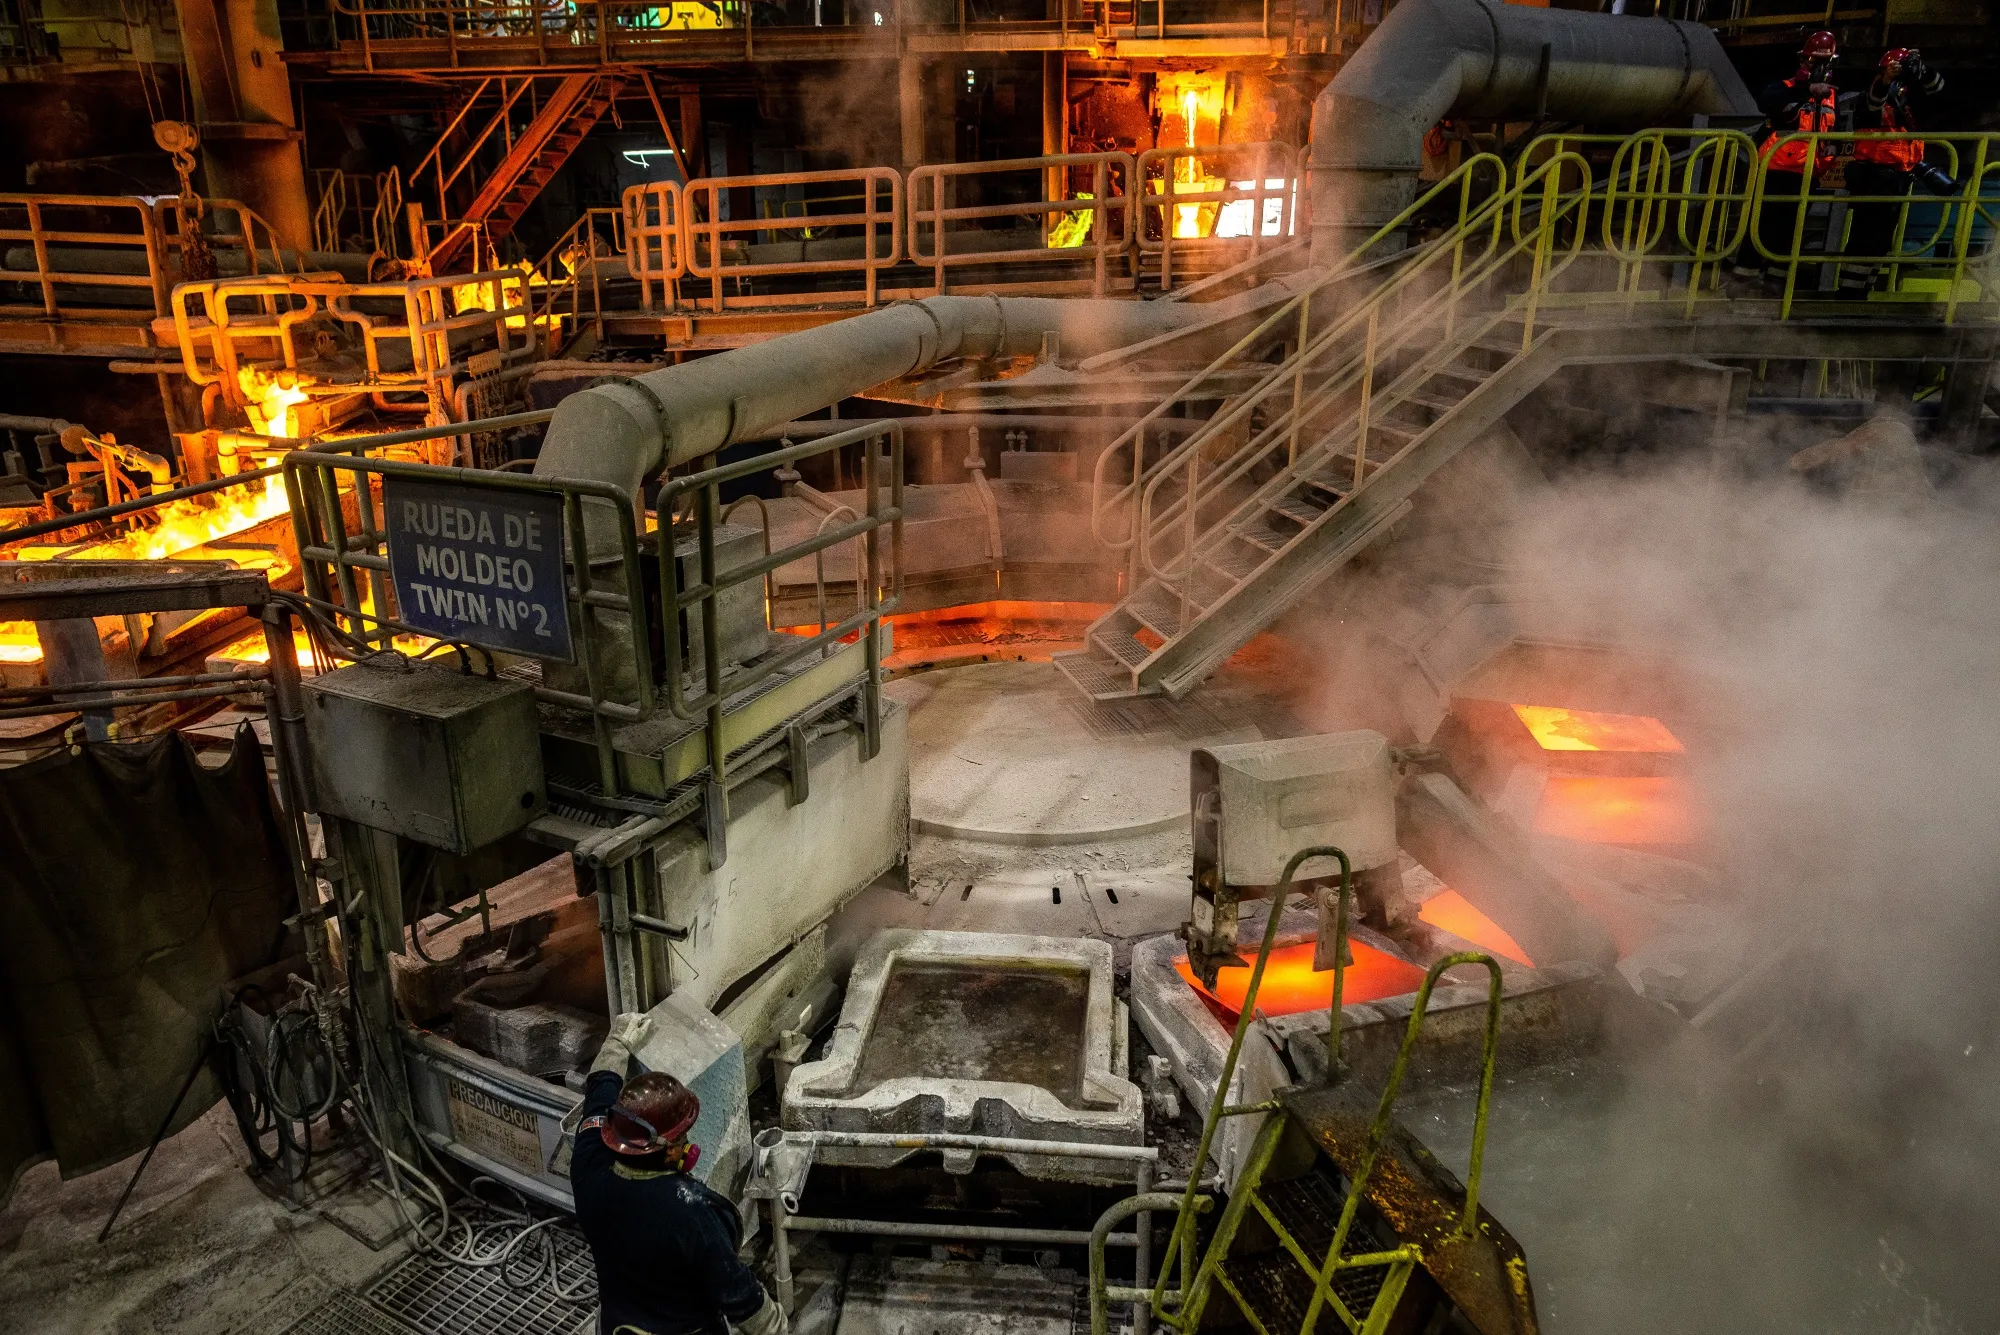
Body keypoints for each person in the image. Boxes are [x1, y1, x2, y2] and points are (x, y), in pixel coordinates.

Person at [571, 1012, 787, 1335]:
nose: (687, 1144)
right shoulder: (691, 1213)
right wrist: (778, 1327)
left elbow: (600, 1090)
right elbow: (742, 1298)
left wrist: (619, 1040)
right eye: (683, 1136)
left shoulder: (588, 1164)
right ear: (666, 1147)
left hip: (619, 1326)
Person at [1840, 47, 1952, 297]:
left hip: (1898, 177)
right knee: (1865, 240)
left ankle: (1861, 293)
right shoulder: (1872, 94)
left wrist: (1923, 70)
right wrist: (1885, 81)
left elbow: (1941, 94)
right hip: (1873, 177)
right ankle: (1849, 295)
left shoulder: (1907, 102)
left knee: (1881, 243)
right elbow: (1872, 104)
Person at [1739, 30, 1842, 285]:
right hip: (1774, 169)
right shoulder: (1783, 87)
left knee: (1790, 234)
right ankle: (1743, 281)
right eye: (1813, 61)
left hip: (1807, 172)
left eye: (1824, 63)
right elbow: (1769, 103)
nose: (1818, 67)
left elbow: (1829, 128)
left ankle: (1775, 287)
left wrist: (1833, 146)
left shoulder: (1830, 97)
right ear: (1803, 61)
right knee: (1761, 227)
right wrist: (1803, 86)